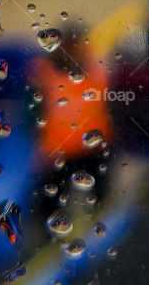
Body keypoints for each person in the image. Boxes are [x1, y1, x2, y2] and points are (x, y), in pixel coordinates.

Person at [30, 21, 113, 213]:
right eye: (69, 47)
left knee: (99, 196)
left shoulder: (96, 73)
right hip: (57, 153)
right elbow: (34, 115)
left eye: (79, 47)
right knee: (49, 202)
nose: (74, 53)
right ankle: (47, 230)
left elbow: (111, 109)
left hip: (93, 150)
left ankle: (96, 214)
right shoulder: (45, 75)